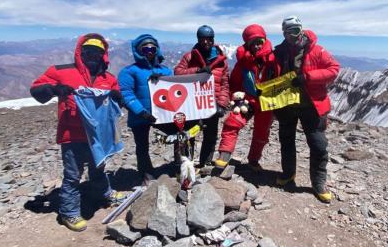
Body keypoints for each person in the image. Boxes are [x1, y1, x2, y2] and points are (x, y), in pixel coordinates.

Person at [30, 33, 126, 232]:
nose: (92, 55)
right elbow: (36, 89)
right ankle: (69, 212)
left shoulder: (108, 78)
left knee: (98, 167)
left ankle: (103, 193)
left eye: (97, 52)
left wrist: (117, 97)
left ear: (103, 55)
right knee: (73, 175)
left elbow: (118, 101)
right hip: (72, 135)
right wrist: (55, 89)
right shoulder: (61, 72)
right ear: (80, 52)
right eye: (88, 51)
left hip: (98, 137)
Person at [273, 16, 340, 203]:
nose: (291, 35)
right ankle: (288, 174)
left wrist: (308, 77)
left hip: (312, 105)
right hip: (287, 103)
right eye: (288, 32)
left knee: (318, 145)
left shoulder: (317, 50)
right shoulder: (279, 52)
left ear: (301, 30)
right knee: (286, 141)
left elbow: (334, 69)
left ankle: (318, 183)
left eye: (295, 30)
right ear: (283, 33)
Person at [215, 24, 277, 170]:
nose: (256, 45)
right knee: (232, 122)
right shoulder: (242, 62)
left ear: (264, 41)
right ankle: (225, 153)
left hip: (267, 101)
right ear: (247, 44)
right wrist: (235, 97)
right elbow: (235, 83)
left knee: (262, 132)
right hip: (247, 100)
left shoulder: (274, 60)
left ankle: (254, 160)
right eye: (253, 42)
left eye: (259, 42)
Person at [118, 34, 173, 182]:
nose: (149, 52)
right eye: (145, 49)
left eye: (152, 48)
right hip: (140, 116)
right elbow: (126, 95)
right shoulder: (128, 71)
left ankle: (179, 162)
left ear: (157, 50)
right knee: (142, 146)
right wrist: (141, 112)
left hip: (163, 115)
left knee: (178, 134)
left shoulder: (166, 71)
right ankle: (146, 173)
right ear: (138, 51)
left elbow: (174, 91)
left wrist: (161, 79)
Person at [174, 25, 230, 167]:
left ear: (213, 39)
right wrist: (197, 70)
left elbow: (224, 83)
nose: (206, 42)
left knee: (210, 135)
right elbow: (177, 72)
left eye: (209, 39)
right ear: (198, 40)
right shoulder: (189, 56)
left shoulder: (221, 60)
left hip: (212, 104)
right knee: (188, 133)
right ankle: (186, 164)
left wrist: (222, 104)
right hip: (191, 104)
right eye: (202, 39)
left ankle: (205, 163)